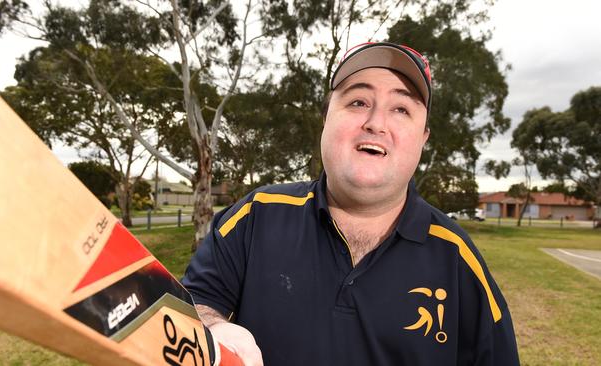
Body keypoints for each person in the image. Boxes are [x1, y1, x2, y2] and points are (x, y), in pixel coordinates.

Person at [183, 41, 520, 366]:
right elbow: (189, 306)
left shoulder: (457, 259)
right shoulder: (255, 216)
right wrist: (214, 328)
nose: (375, 123)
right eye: (358, 102)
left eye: (401, 109)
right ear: (327, 117)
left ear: (423, 138)